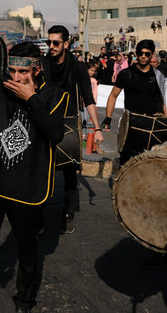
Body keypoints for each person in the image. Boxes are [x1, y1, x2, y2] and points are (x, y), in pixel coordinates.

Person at [0, 24, 68, 313]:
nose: (16, 78)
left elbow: (55, 133)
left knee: (27, 252)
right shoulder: (0, 84)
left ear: (36, 71)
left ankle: (24, 300)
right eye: (13, 72)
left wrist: (31, 99)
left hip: (28, 189)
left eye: (23, 73)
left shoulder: (54, 95)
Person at [41, 25, 103, 234]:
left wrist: (97, 128)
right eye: (49, 42)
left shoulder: (77, 67)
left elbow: (88, 98)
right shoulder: (42, 64)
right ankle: (37, 212)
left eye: (55, 43)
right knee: (42, 170)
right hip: (45, 121)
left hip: (68, 122)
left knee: (69, 174)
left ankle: (68, 214)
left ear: (66, 44)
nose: (51, 46)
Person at [102, 39, 167, 164]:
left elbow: (163, 100)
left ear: (152, 55)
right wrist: (108, 117)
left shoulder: (159, 76)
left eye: (147, 54)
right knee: (126, 162)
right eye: (141, 53)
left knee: (151, 163)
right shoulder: (125, 74)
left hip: (152, 123)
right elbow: (113, 95)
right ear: (137, 54)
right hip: (130, 123)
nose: (143, 56)